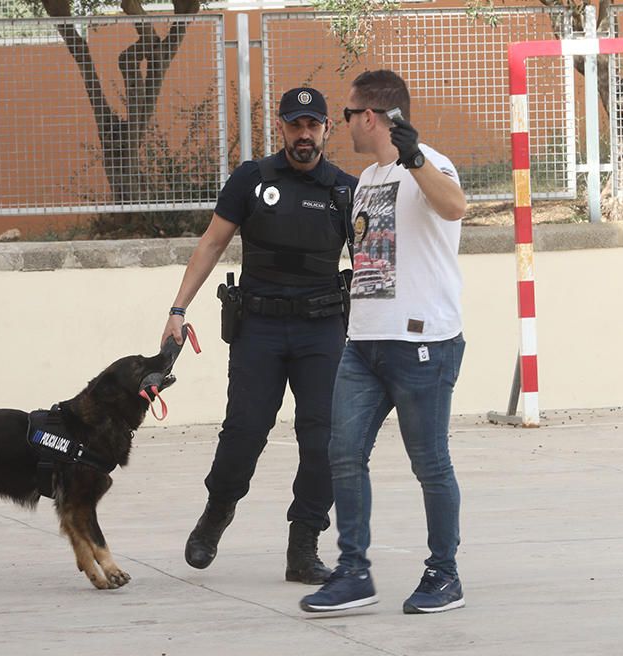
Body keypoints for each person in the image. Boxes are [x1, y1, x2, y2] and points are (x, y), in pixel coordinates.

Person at [161, 87, 358, 584]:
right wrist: (177, 309)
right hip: (261, 330)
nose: (304, 135)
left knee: (325, 440)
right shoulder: (252, 179)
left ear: (327, 129)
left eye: (313, 125)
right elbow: (211, 243)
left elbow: (372, 263)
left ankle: (304, 544)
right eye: (295, 125)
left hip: (321, 332)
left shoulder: (344, 189)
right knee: (244, 431)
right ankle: (217, 512)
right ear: (282, 129)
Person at [299, 69, 469, 614]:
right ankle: (353, 573)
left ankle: (444, 575)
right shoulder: (369, 176)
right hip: (364, 343)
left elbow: (455, 207)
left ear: (369, 116)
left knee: (430, 463)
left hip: (422, 343)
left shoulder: (430, 163)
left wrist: (415, 158)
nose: (342, 122)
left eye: (347, 113)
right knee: (343, 455)